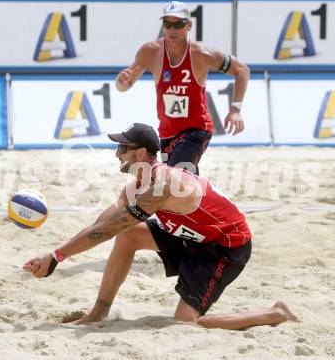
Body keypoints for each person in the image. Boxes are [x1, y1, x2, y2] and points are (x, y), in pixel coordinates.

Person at [23, 123, 298, 330]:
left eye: (123, 148)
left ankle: (276, 314)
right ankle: (99, 312)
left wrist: (56, 258)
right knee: (129, 234)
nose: (117, 153)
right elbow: (101, 225)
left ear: (141, 153)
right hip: (193, 238)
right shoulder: (134, 187)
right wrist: (53, 255)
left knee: (187, 323)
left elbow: (104, 232)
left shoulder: (162, 185)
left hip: (224, 248)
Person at [115, 1, 250, 175]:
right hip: (167, 131)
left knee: (176, 176)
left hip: (196, 129)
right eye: (167, 24)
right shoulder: (150, 51)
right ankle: (203, 199)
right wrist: (121, 82)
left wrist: (235, 110)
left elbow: (242, 70)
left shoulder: (202, 54)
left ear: (189, 25)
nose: (172, 29)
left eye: (178, 24)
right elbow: (123, 87)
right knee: (177, 182)